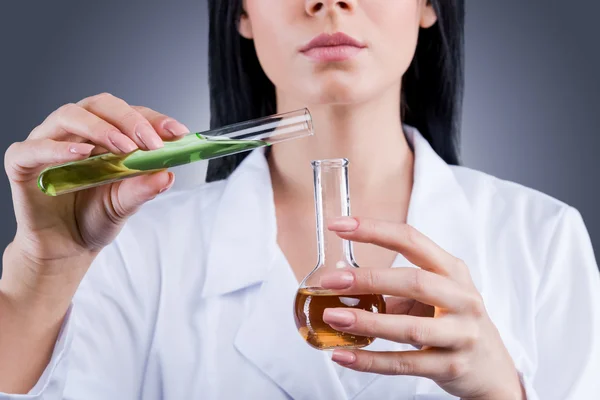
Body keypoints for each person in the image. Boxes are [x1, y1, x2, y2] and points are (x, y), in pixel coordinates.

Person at [1, 0, 599, 398]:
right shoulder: (138, 246)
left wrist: (503, 390)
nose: (327, 1)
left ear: (427, 5)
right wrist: (41, 274)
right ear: (241, 13)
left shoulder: (542, 237)